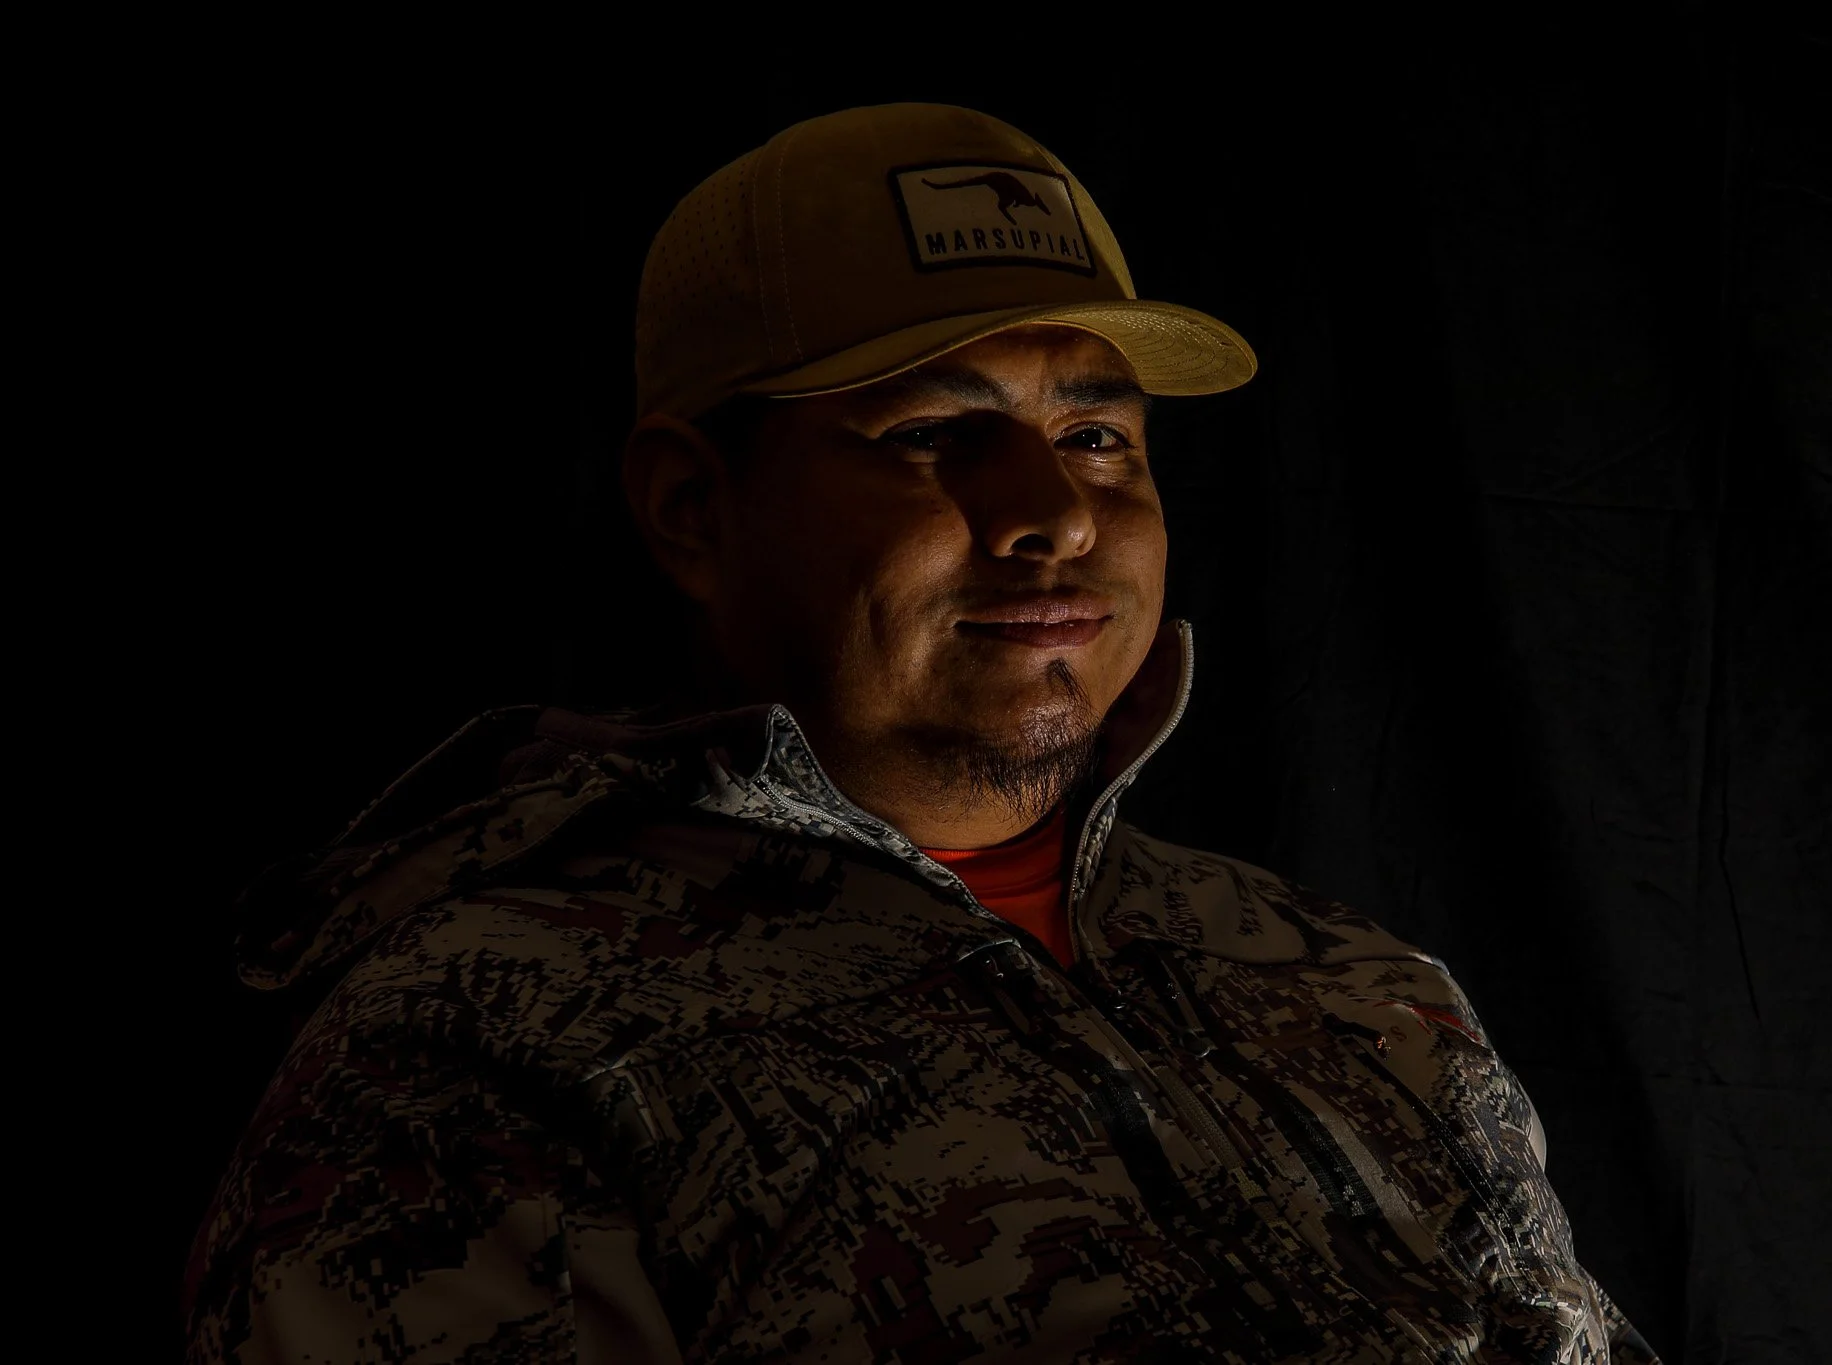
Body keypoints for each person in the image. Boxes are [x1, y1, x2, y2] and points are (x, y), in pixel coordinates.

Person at [184, 103, 1657, 1364]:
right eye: (932, 436)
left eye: (1096, 436)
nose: (1057, 513)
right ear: (694, 510)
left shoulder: (1346, 984)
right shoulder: (490, 1039)